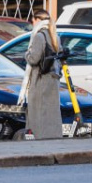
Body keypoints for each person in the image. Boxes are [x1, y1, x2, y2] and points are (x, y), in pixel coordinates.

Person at [22, 9, 63, 139]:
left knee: (38, 112)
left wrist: (26, 53)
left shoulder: (39, 36)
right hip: (52, 79)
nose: (32, 23)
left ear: (38, 20)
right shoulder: (55, 36)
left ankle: (39, 137)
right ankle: (54, 136)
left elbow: (34, 59)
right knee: (51, 112)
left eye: (33, 20)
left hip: (40, 80)